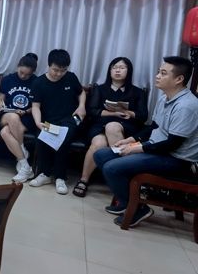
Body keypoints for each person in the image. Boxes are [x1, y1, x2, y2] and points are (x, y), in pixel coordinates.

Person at [94, 56, 198, 227]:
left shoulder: (186, 106)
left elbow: (172, 144)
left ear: (179, 79)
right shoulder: (165, 97)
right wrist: (131, 140)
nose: (157, 76)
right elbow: (153, 127)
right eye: (158, 72)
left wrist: (137, 148)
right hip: (158, 149)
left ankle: (138, 209)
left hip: (177, 160)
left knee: (112, 168)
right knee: (101, 155)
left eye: (163, 73)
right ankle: (128, 202)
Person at [73, 57, 148, 197]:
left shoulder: (138, 92)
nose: (117, 70)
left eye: (122, 68)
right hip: (100, 125)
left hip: (126, 128)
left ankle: (119, 176)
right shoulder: (100, 89)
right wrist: (112, 113)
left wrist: (128, 113)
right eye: (114, 67)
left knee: (113, 127)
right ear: (110, 70)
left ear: (129, 71)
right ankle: (84, 179)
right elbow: (92, 111)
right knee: (99, 143)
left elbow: (143, 115)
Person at [28, 49, 87, 194]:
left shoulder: (71, 77)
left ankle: (60, 177)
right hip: (49, 120)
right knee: (42, 137)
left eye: (63, 70)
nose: (59, 73)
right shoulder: (38, 82)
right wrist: (38, 122)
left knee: (63, 137)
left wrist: (81, 106)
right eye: (56, 70)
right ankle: (45, 174)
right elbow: (35, 106)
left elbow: (81, 92)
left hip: (70, 119)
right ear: (49, 65)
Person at [0, 53, 39, 183]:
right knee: (13, 117)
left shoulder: (36, 82)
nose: (23, 76)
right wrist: (2, 106)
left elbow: (36, 106)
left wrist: (25, 111)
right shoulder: (8, 79)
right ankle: (23, 152)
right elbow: (1, 99)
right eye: (21, 72)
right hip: (7, 114)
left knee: (5, 132)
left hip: (26, 117)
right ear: (18, 66)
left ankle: (24, 165)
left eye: (27, 74)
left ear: (33, 72)